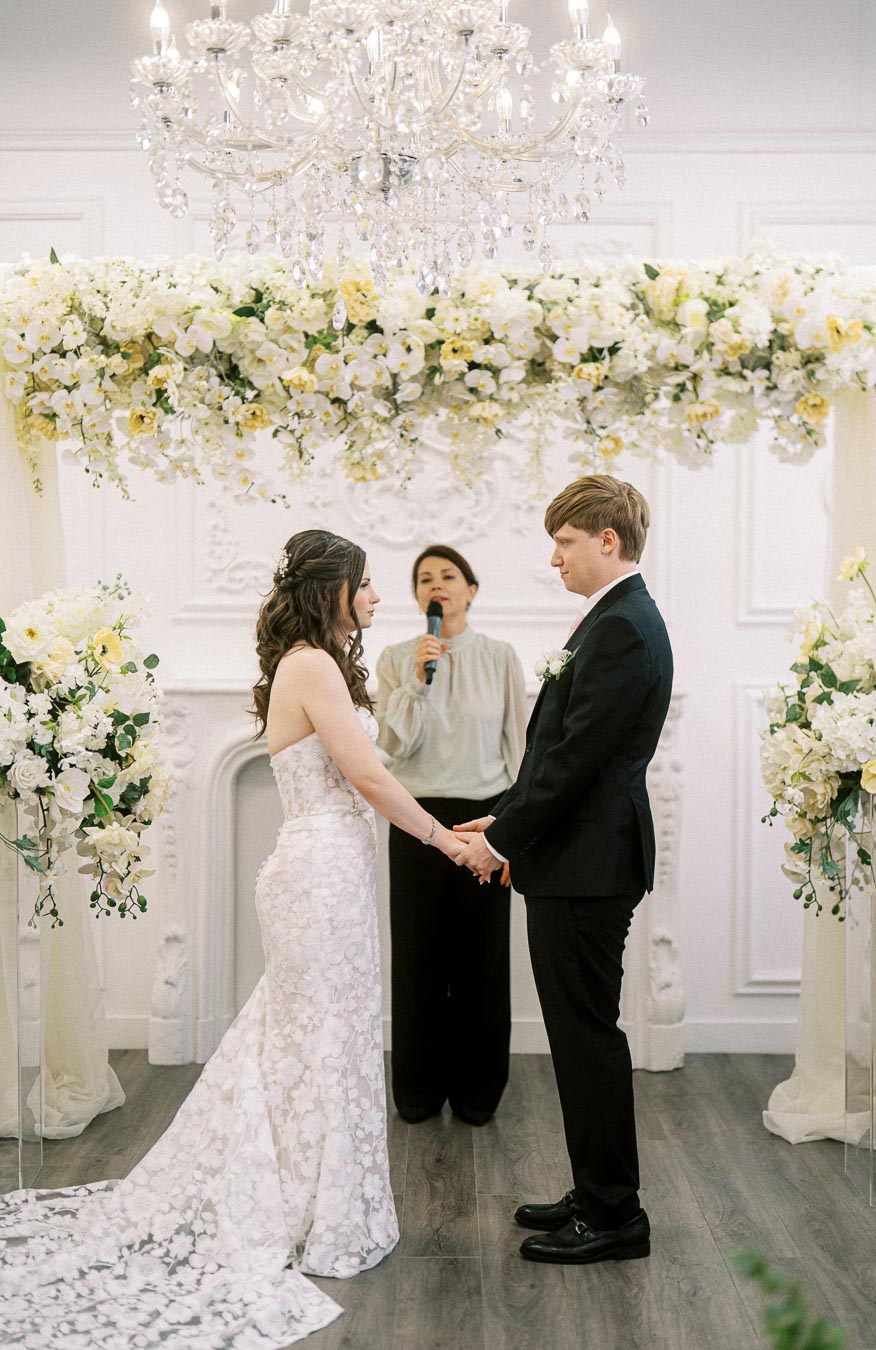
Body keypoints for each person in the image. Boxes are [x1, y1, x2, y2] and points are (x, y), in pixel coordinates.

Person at [0, 529, 465, 1346]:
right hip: (319, 871)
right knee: (316, 1036)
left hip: (335, 869)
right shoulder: (311, 665)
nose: (378, 596)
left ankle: (304, 1196)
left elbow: (375, 757)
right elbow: (365, 776)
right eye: (366, 584)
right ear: (334, 589)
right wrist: (446, 838)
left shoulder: (318, 663)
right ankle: (300, 1205)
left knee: (321, 1035)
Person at [455, 475, 673, 1265]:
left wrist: (503, 843)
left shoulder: (620, 626)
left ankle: (615, 1216)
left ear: (605, 541)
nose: (554, 558)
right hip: (576, 859)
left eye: (565, 541)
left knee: (586, 1040)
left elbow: (578, 761)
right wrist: (505, 815)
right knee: (581, 1037)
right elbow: (562, 749)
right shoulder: (613, 619)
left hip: (588, 867)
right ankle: (595, 1192)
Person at [376, 545, 526, 1126]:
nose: (436, 586)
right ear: (417, 598)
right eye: (424, 580)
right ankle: (416, 1092)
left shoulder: (500, 657)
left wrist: (515, 830)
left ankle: (478, 1093)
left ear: (471, 589)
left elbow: (519, 747)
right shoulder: (396, 659)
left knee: (481, 961)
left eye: (447, 577)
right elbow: (391, 747)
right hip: (417, 819)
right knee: (417, 957)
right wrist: (415, 679)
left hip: (486, 821)